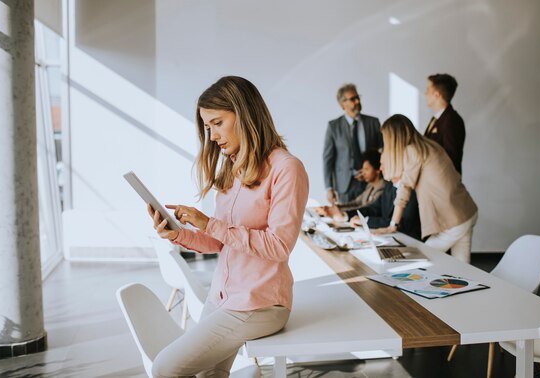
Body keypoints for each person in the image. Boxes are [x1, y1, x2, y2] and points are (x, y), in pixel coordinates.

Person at [147, 76, 309, 378]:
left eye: (218, 123)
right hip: (222, 296)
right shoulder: (233, 169)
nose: (212, 136)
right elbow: (221, 244)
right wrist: (179, 234)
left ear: (244, 114)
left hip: (260, 305)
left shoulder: (287, 168)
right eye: (207, 127)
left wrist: (211, 224)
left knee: (165, 368)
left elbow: (279, 246)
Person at [374, 114, 478, 263]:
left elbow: (405, 188)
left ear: (394, 138)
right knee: (462, 268)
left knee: (421, 259)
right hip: (466, 212)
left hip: (455, 221)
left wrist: (392, 225)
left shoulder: (413, 150)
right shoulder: (428, 145)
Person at [323, 83, 383, 204]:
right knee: (346, 217)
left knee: (368, 218)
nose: (357, 101)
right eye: (352, 99)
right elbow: (328, 158)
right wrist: (329, 188)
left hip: (370, 182)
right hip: (345, 185)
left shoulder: (373, 123)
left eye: (357, 97)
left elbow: (381, 151)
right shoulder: (333, 126)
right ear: (342, 104)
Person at [316, 149, 384, 221]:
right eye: (363, 169)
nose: (363, 173)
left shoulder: (382, 188)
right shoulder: (370, 186)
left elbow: (366, 208)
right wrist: (336, 207)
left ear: (378, 170)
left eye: (366, 169)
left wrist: (341, 213)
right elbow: (356, 203)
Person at [350, 180, 422, 241]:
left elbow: (404, 223)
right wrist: (346, 215)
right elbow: (374, 209)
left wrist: (365, 221)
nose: (381, 168)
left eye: (383, 163)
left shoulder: (411, 188)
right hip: (391, 238)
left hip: (411, 240)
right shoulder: (389, 186)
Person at [424, 73, 466, 174]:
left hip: (443, 183)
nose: (425, 94)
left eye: (428, 90)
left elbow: (451, 158)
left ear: (437, 94)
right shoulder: (436, 119)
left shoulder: (452, 120)